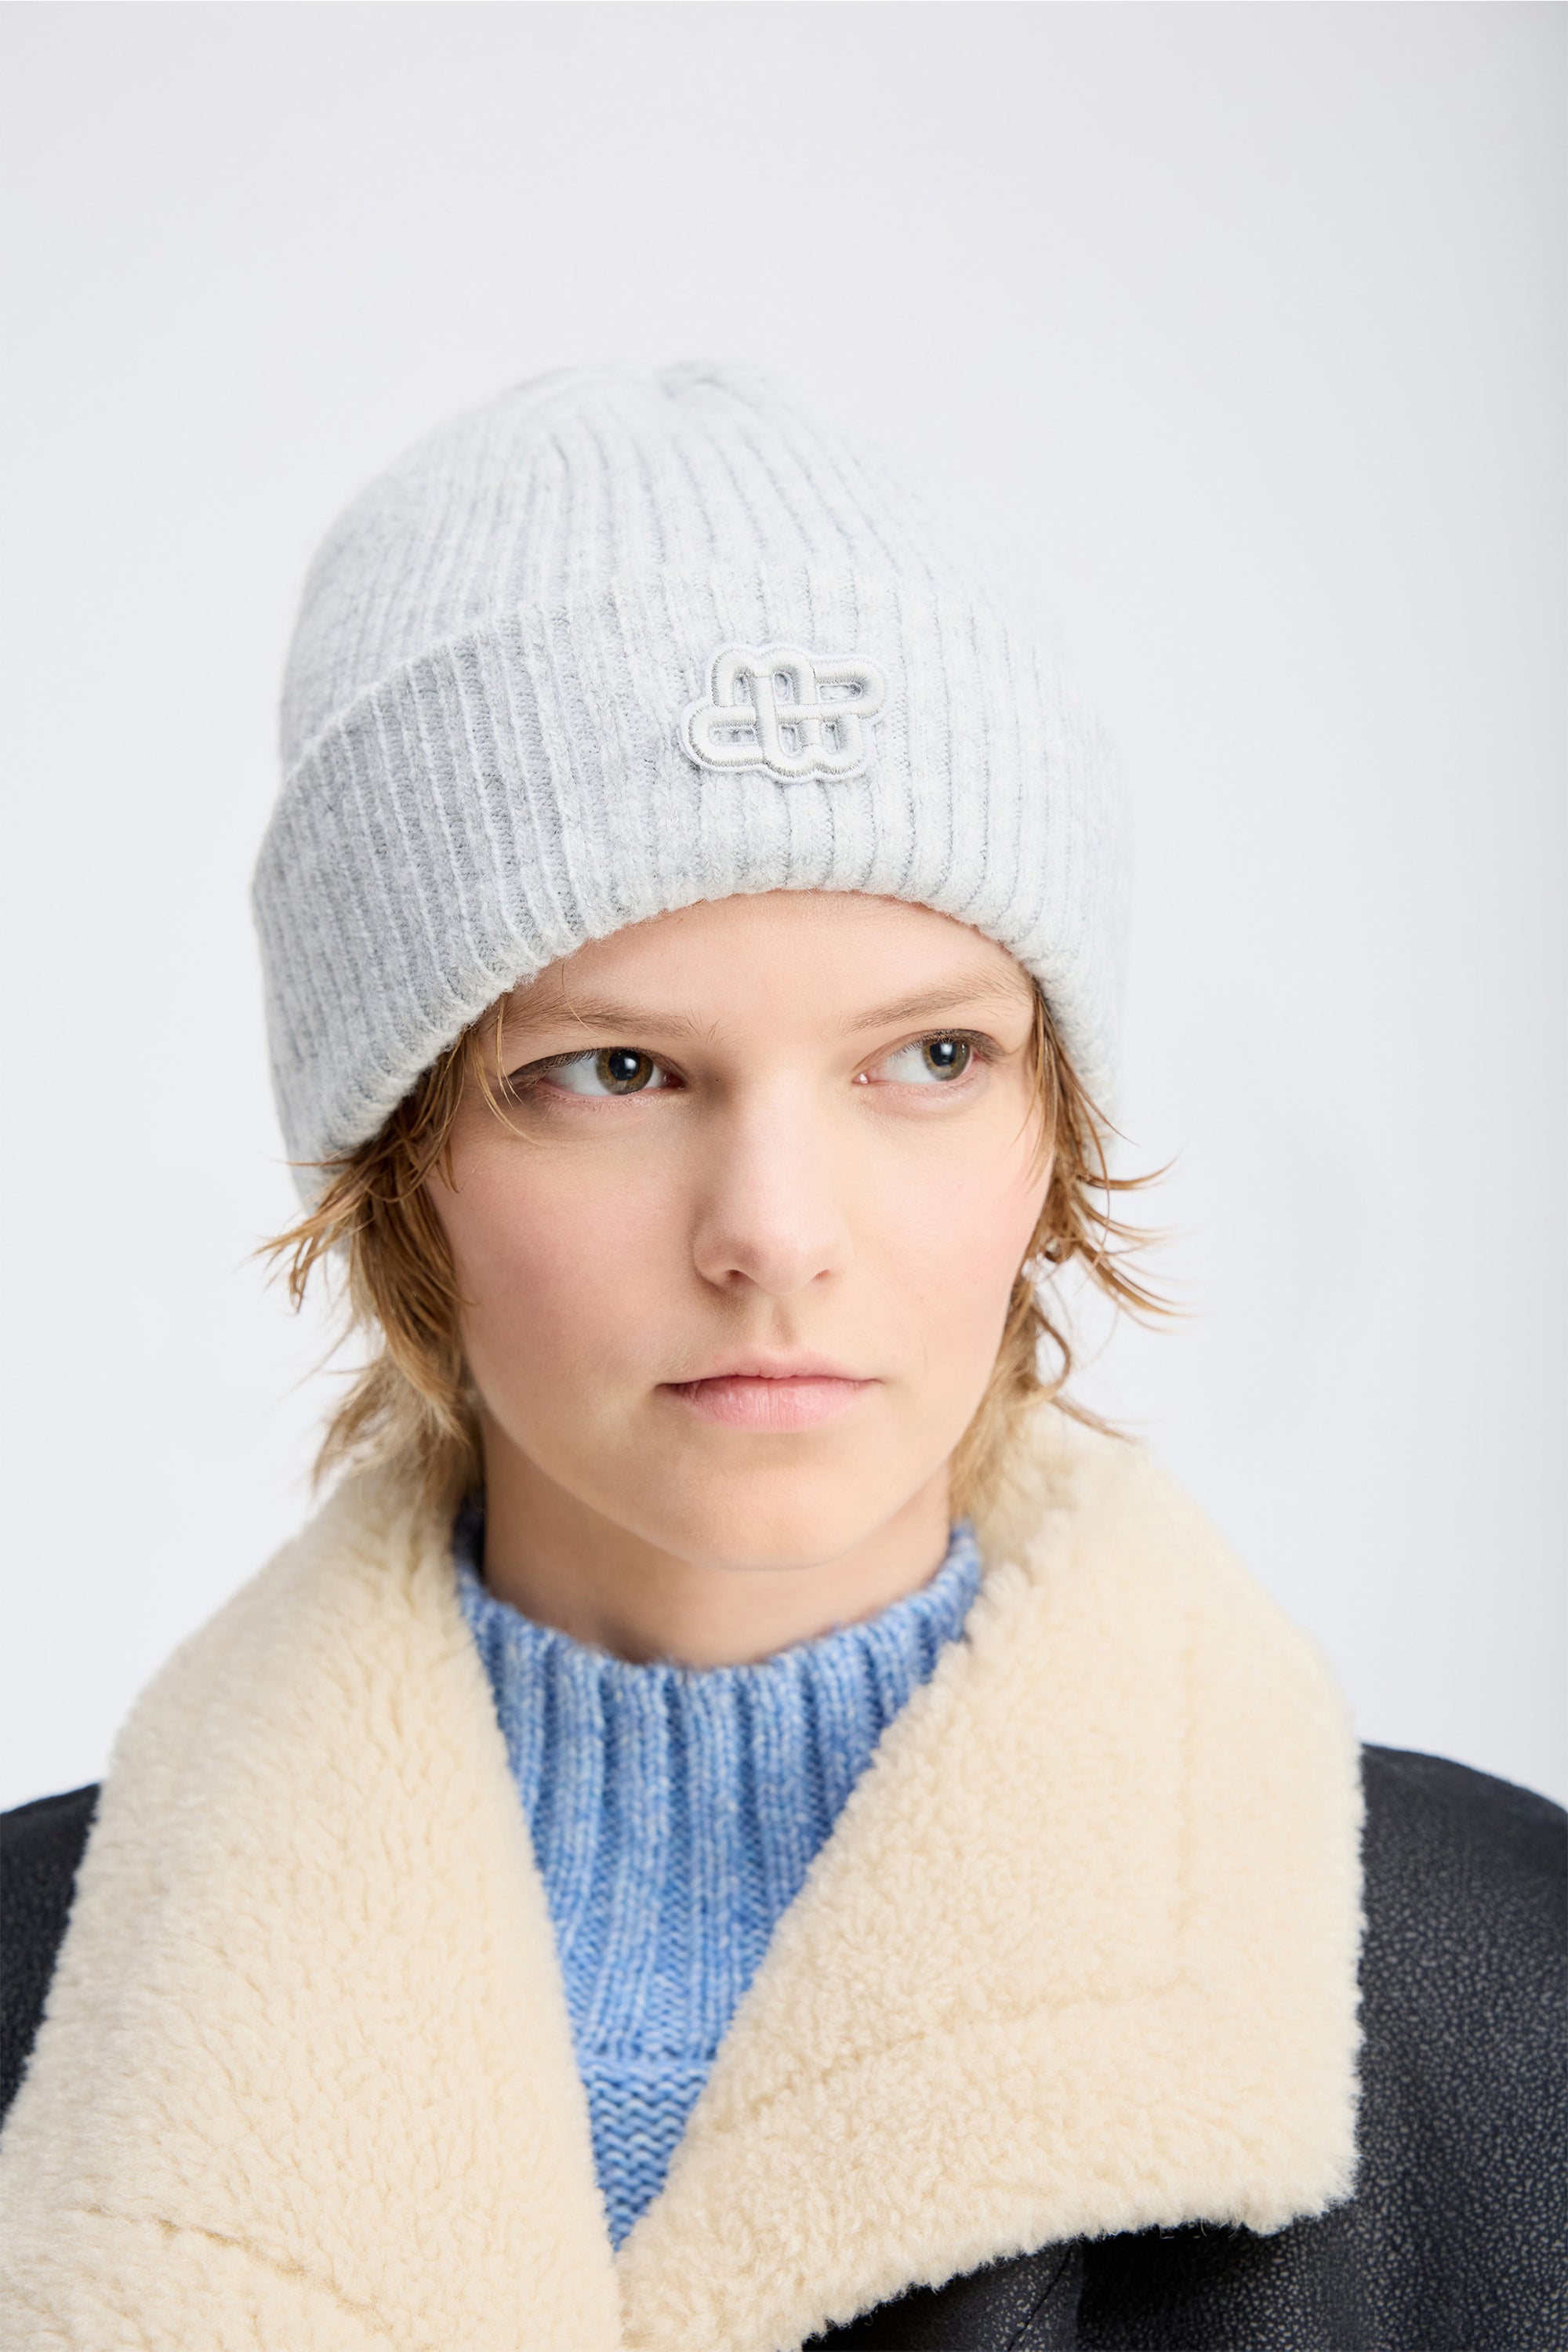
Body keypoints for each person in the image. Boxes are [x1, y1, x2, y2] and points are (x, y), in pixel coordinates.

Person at [0, 365, 1559, 2352]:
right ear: (398, 1150)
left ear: (1050, 1127)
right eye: (613, 1071)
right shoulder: (31, 2003)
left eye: (929, 1057)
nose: (776, 1230)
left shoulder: (1504, 1996)